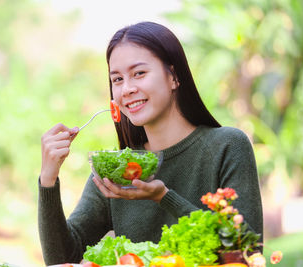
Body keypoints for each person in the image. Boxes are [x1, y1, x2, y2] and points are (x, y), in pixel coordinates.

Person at [38, 21, 263, 265]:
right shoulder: (117, 171)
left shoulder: (227, 146)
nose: (127, 89)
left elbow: (247, 254)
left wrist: (164, 197)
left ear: (174, 77)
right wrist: (48, 179)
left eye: (139, 73)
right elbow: (62, 259)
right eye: (117, 79)